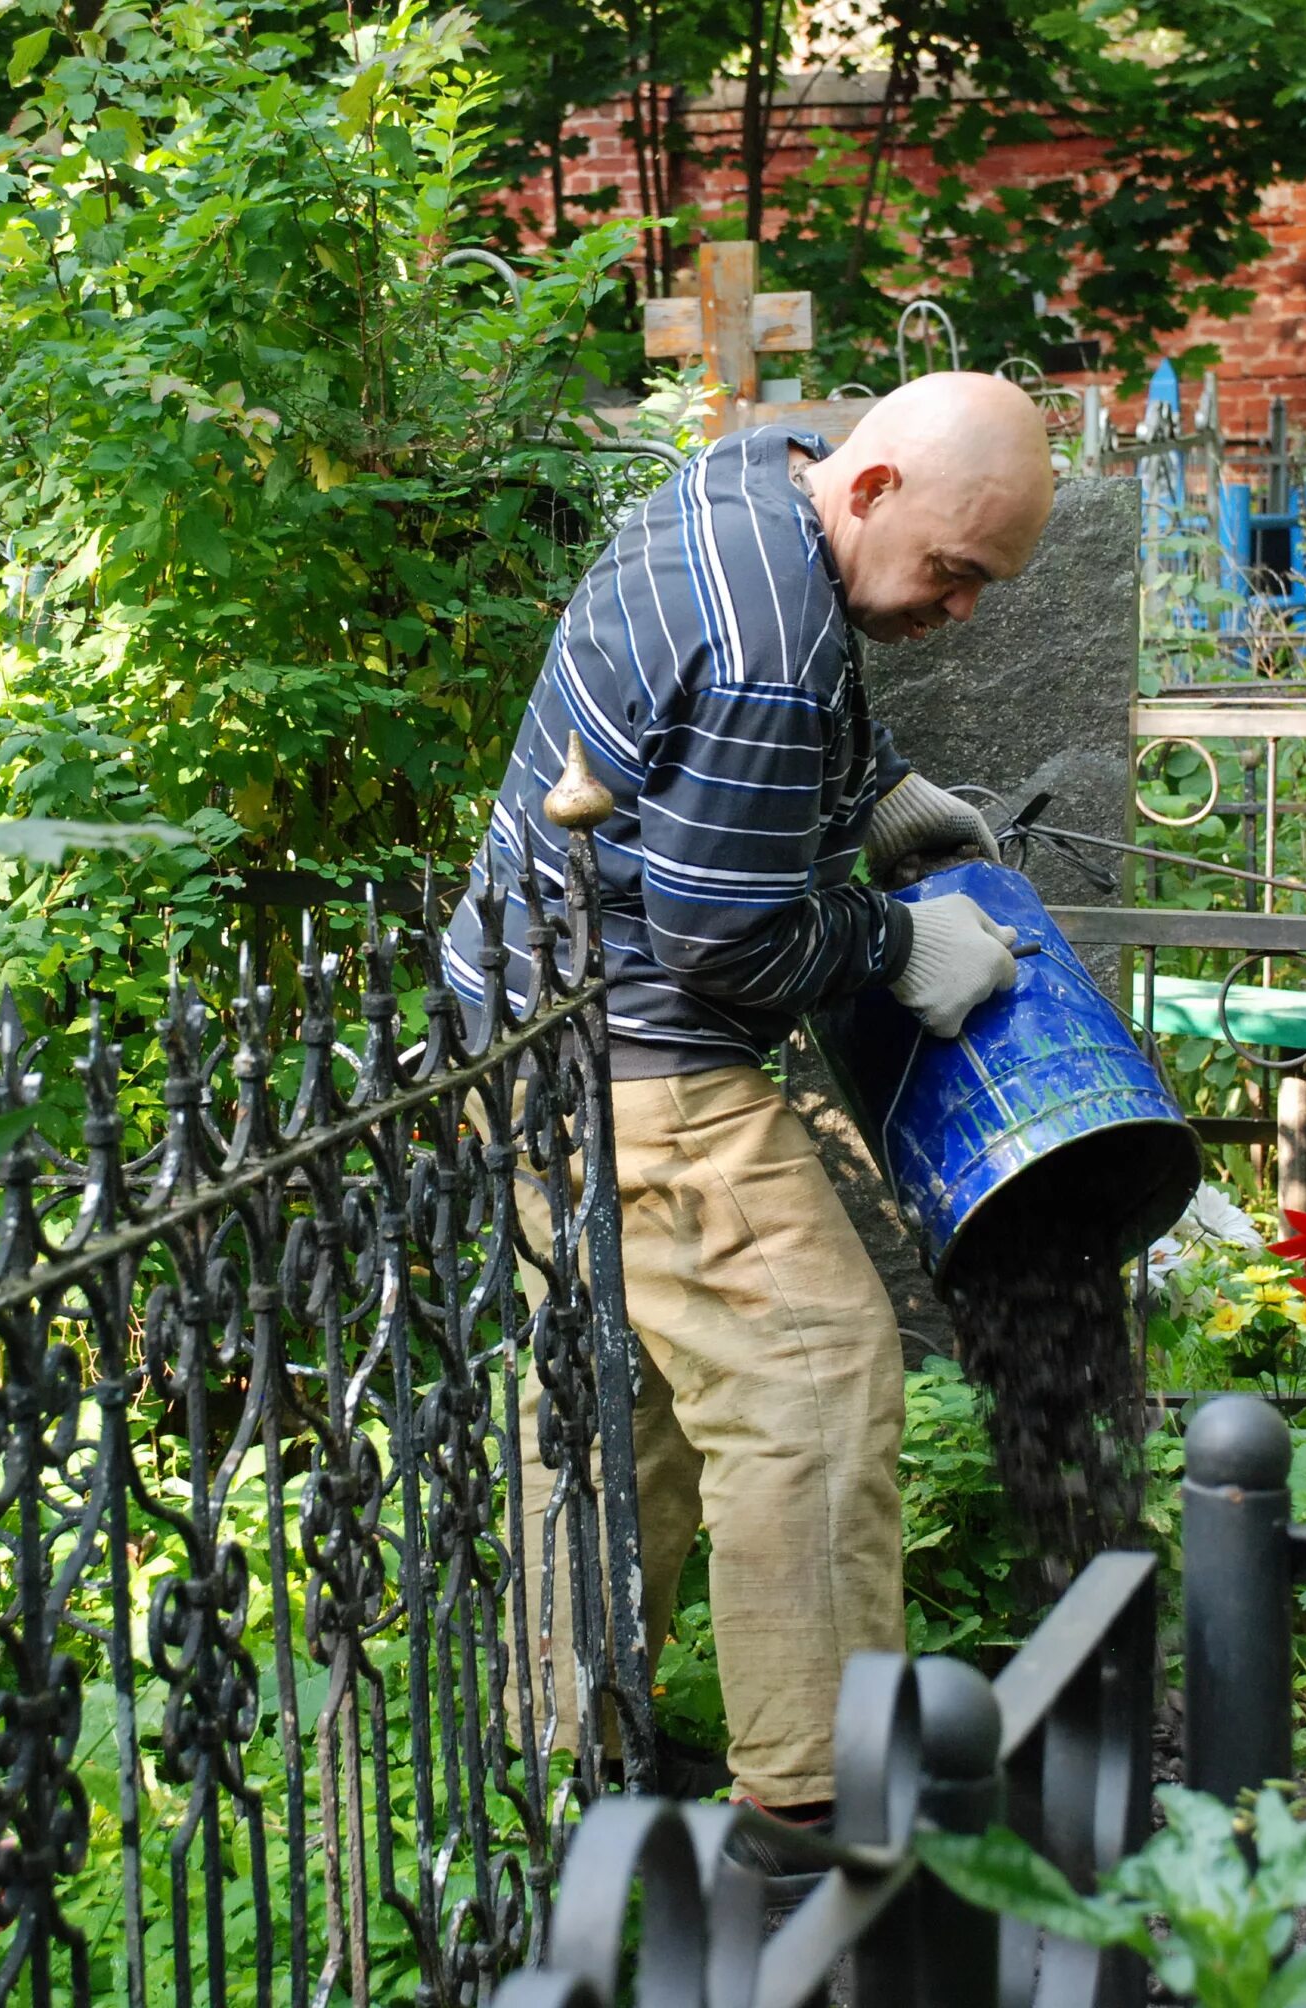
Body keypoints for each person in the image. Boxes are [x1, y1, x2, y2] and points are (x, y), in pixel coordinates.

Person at [448, 372, 1059, 1838]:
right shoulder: (775, 640)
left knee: (633, 1402)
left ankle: (556, 1761)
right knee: (817, 1388)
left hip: (526, 1022)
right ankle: (817, 1819)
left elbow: (735, 738)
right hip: (639, 1063)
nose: (959, 609)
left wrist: (878, 789)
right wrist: (904, 942)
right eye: (955, 572)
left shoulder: (752, 478)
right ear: (868, 489)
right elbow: (733, 936)